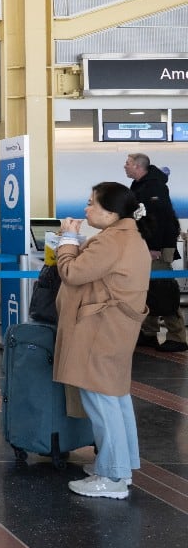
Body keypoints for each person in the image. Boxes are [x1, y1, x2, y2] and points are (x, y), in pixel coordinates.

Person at [51, 181, 148, 499]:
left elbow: (73, 273)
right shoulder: (125, 237)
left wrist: (66, 241)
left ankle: (113, 477)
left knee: (102, 401)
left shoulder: (111, 242)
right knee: (115, 398)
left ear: (111, 212)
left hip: (99, 330)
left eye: (92, 203)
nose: (86, 208)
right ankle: (121, 466)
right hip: (113, 330)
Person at [125, 153, 187, 352]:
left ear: (137, 166)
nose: (124, 166)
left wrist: (154, 247)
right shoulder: (140, 185)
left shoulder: (154, 186)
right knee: (147, 288)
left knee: (163, 289)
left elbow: (160, 220)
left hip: (156, 247)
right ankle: (149, 332)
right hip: (146, 245)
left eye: (127, 163)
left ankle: (177, 336)